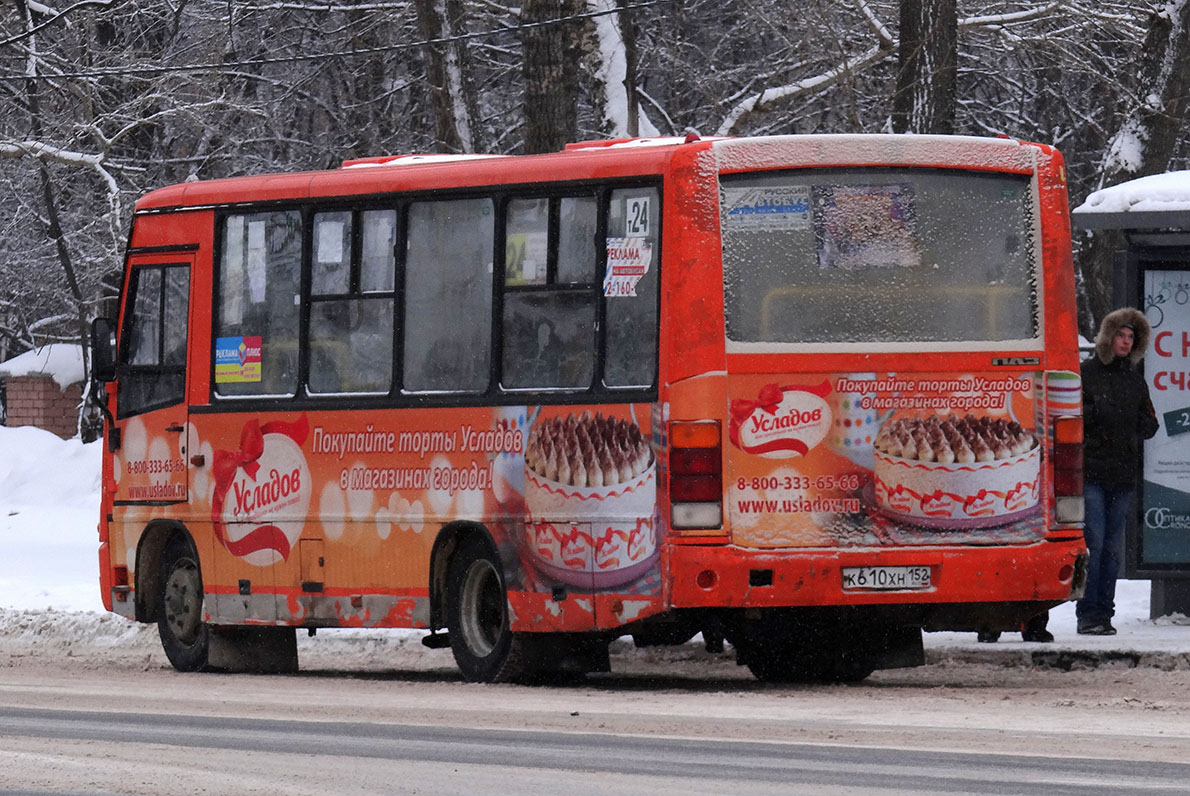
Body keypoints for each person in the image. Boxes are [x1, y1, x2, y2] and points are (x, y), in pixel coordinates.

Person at [1078, 307, 1159, 635]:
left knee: (1112, 548)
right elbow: (1073, 414)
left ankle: (1104, 613)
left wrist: (1130, 426)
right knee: (1094, 544)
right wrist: (1099, 417)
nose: (1125, 341)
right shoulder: (1086, 373)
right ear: (1107, 337)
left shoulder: (1134, 380)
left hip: (1122, 474)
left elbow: (1151, 422)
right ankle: (1088, 614)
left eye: (1131, 337)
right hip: (1092, 472)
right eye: (1120, 335)